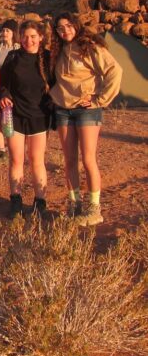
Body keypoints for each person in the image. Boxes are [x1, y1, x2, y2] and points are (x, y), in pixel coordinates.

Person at [50, 12, 122, 226]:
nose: (65, 31)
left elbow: (114, 70)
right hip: (63, 109)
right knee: (69, 160)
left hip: (86, 110)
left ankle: (94, 208)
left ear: (76, 25)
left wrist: (100, 99)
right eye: (60, 28)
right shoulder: (58, 50)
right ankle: (74, 205)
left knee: (88, 159)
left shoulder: (89, 46)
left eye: (68, 26)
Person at [0, 20, 53, 219]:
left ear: (41, 37)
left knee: (37, 161)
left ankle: (40, 202)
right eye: (25, 36)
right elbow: (2, 84)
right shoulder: (13, 57)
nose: (28, 40)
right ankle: (16, 200)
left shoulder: (48, 58)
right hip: (14, 116)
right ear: (20, 37)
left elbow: (57, 85)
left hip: (39, 117)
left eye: (33, 37)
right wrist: (3, 96)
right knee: (16, 160)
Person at [0, 19, 20, 167]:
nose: (5, 33)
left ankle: (15, 151)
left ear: (14, 33)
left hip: (13, 91)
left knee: (9, 122)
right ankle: (2, 152)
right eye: (3, 30)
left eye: (8, 30)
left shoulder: (19, 49)